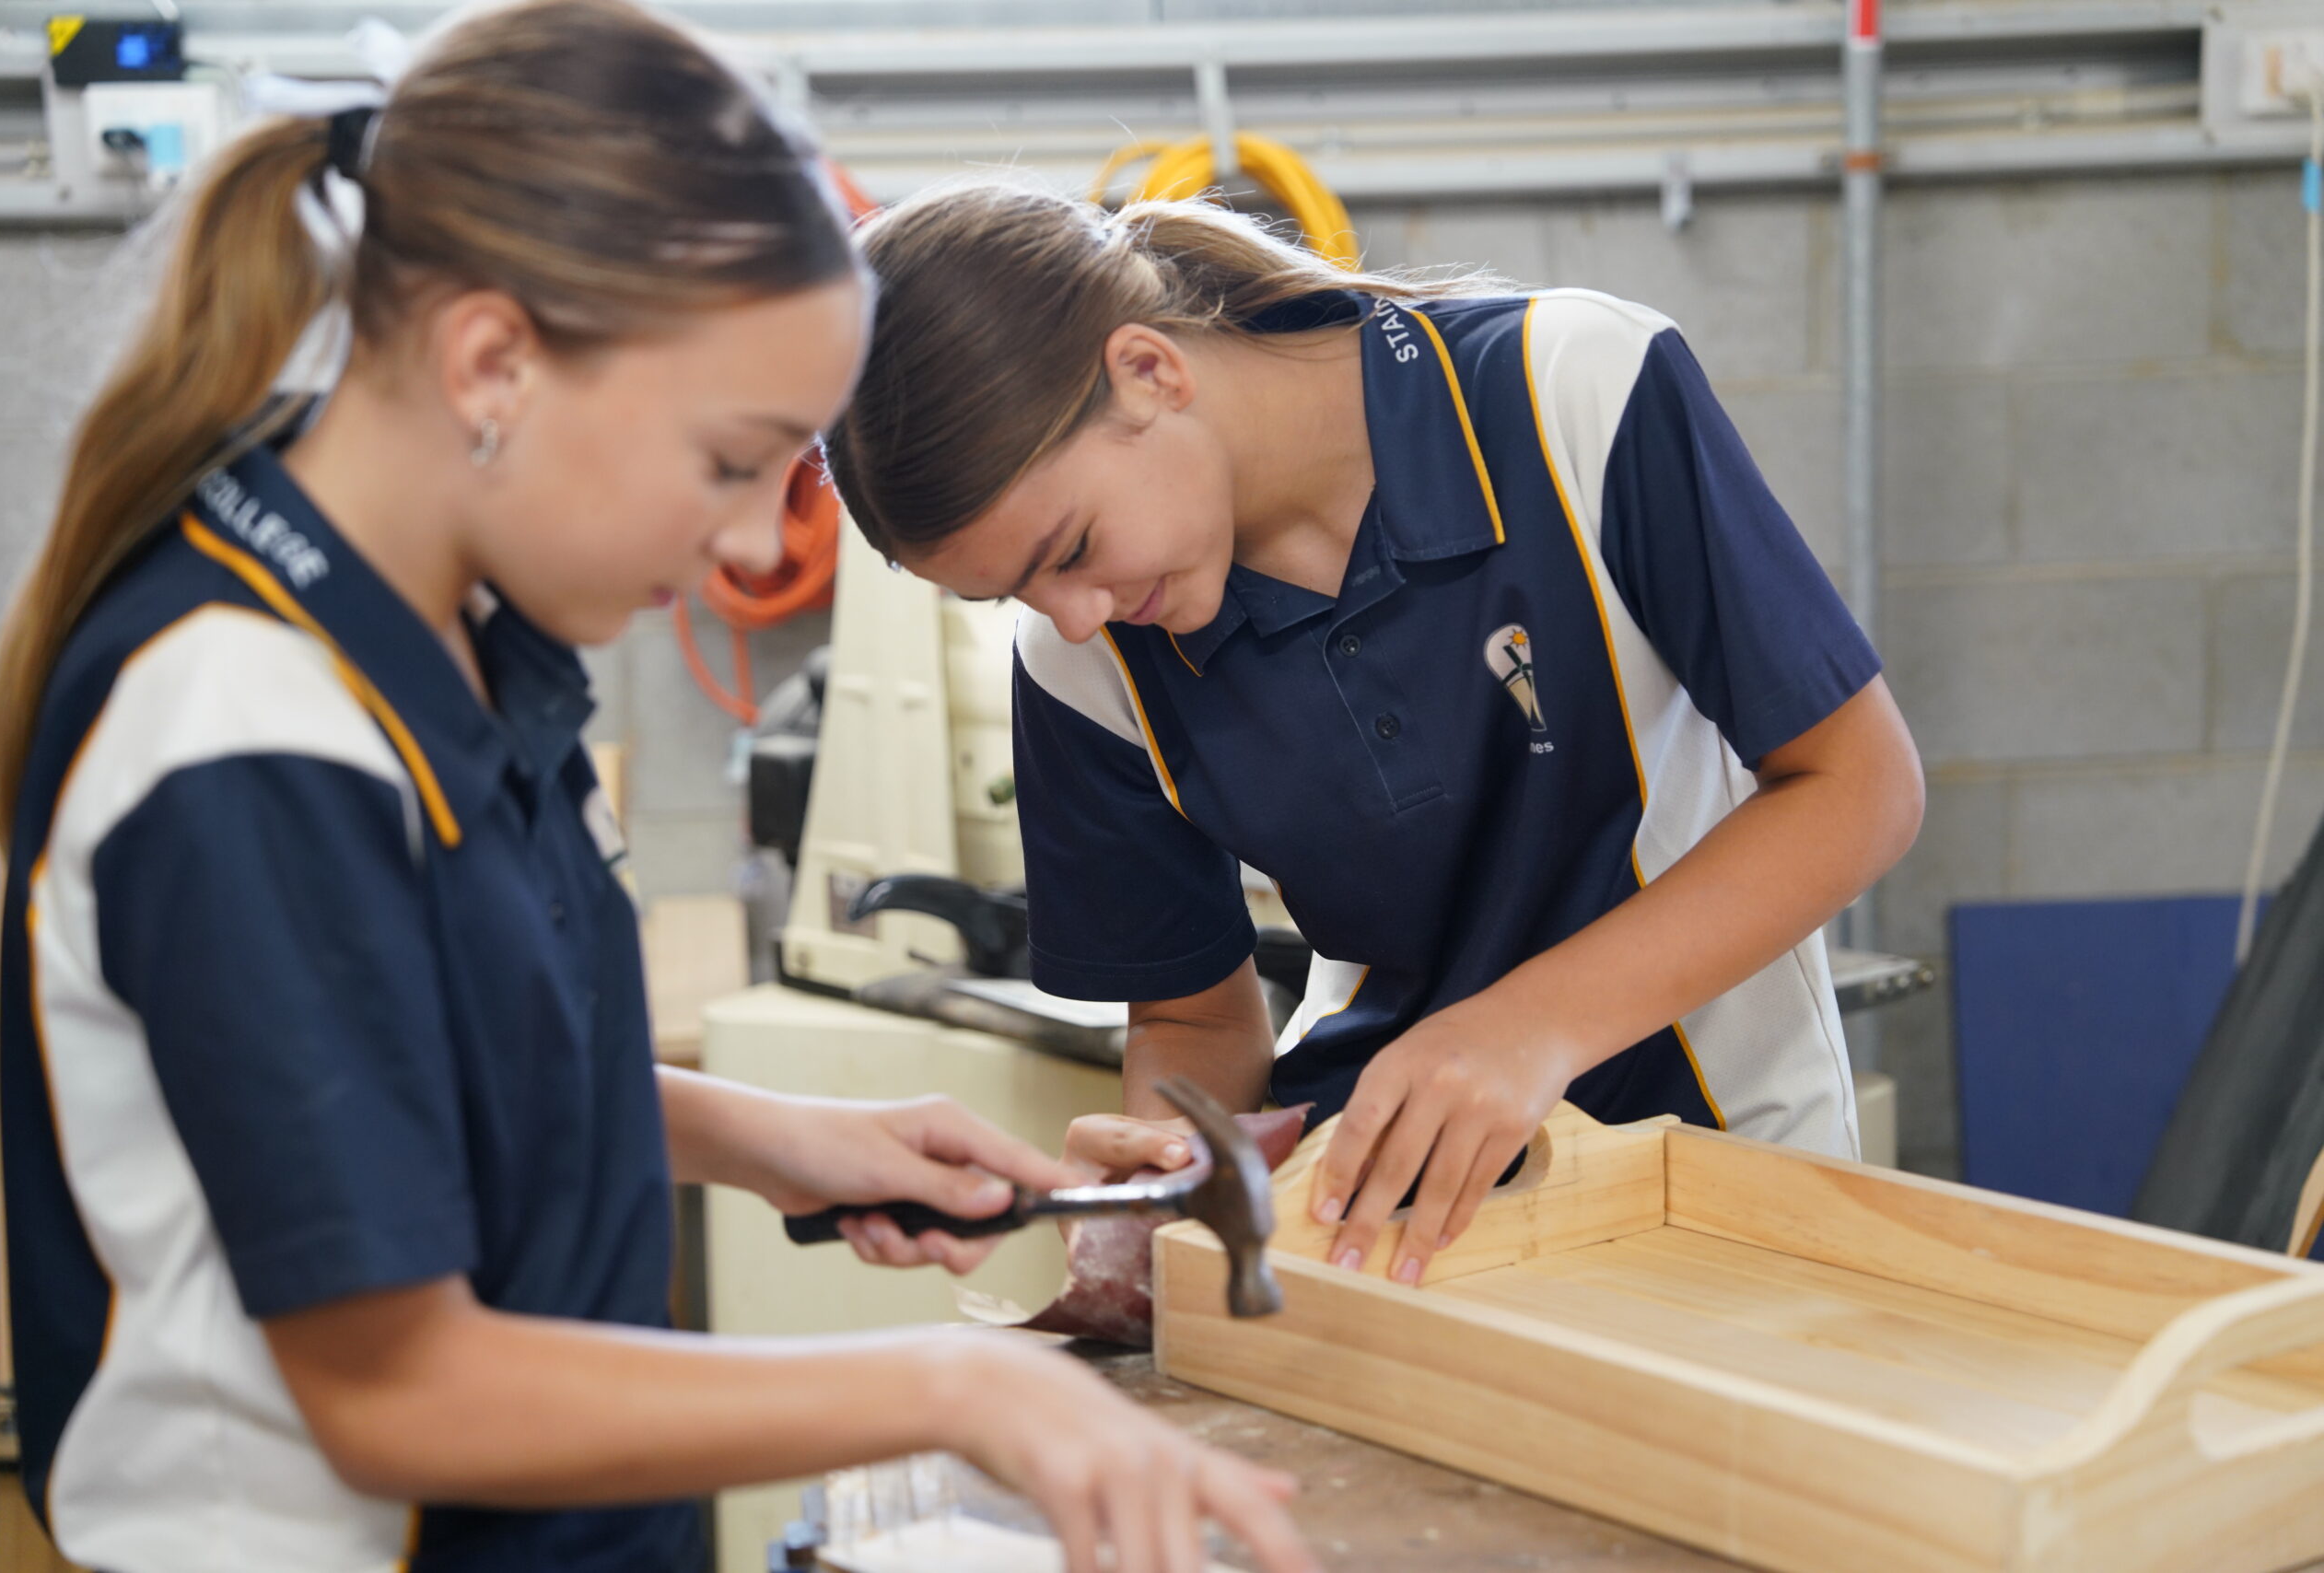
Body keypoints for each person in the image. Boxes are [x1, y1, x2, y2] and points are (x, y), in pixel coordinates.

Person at [0, 9, 1314, 1572]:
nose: (759, 548)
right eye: (732, 458)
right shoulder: (249, 730)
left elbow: (423, 1076)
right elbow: (395, 1388)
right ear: (494, 362)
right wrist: (953, 1385)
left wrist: (776, 1138)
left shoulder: (459, 646)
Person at [823, 181, 1925, 1292]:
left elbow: (1857, 787)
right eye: (1010, 594)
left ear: (1148, 372)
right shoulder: (1080, 654)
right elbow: (1191, 1015)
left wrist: (1525, 1030)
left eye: (1067, 550)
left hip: (1717, 1161)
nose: (1068, 615)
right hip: (1381, 1223)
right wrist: (1175, 1164)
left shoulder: (1575, 391)